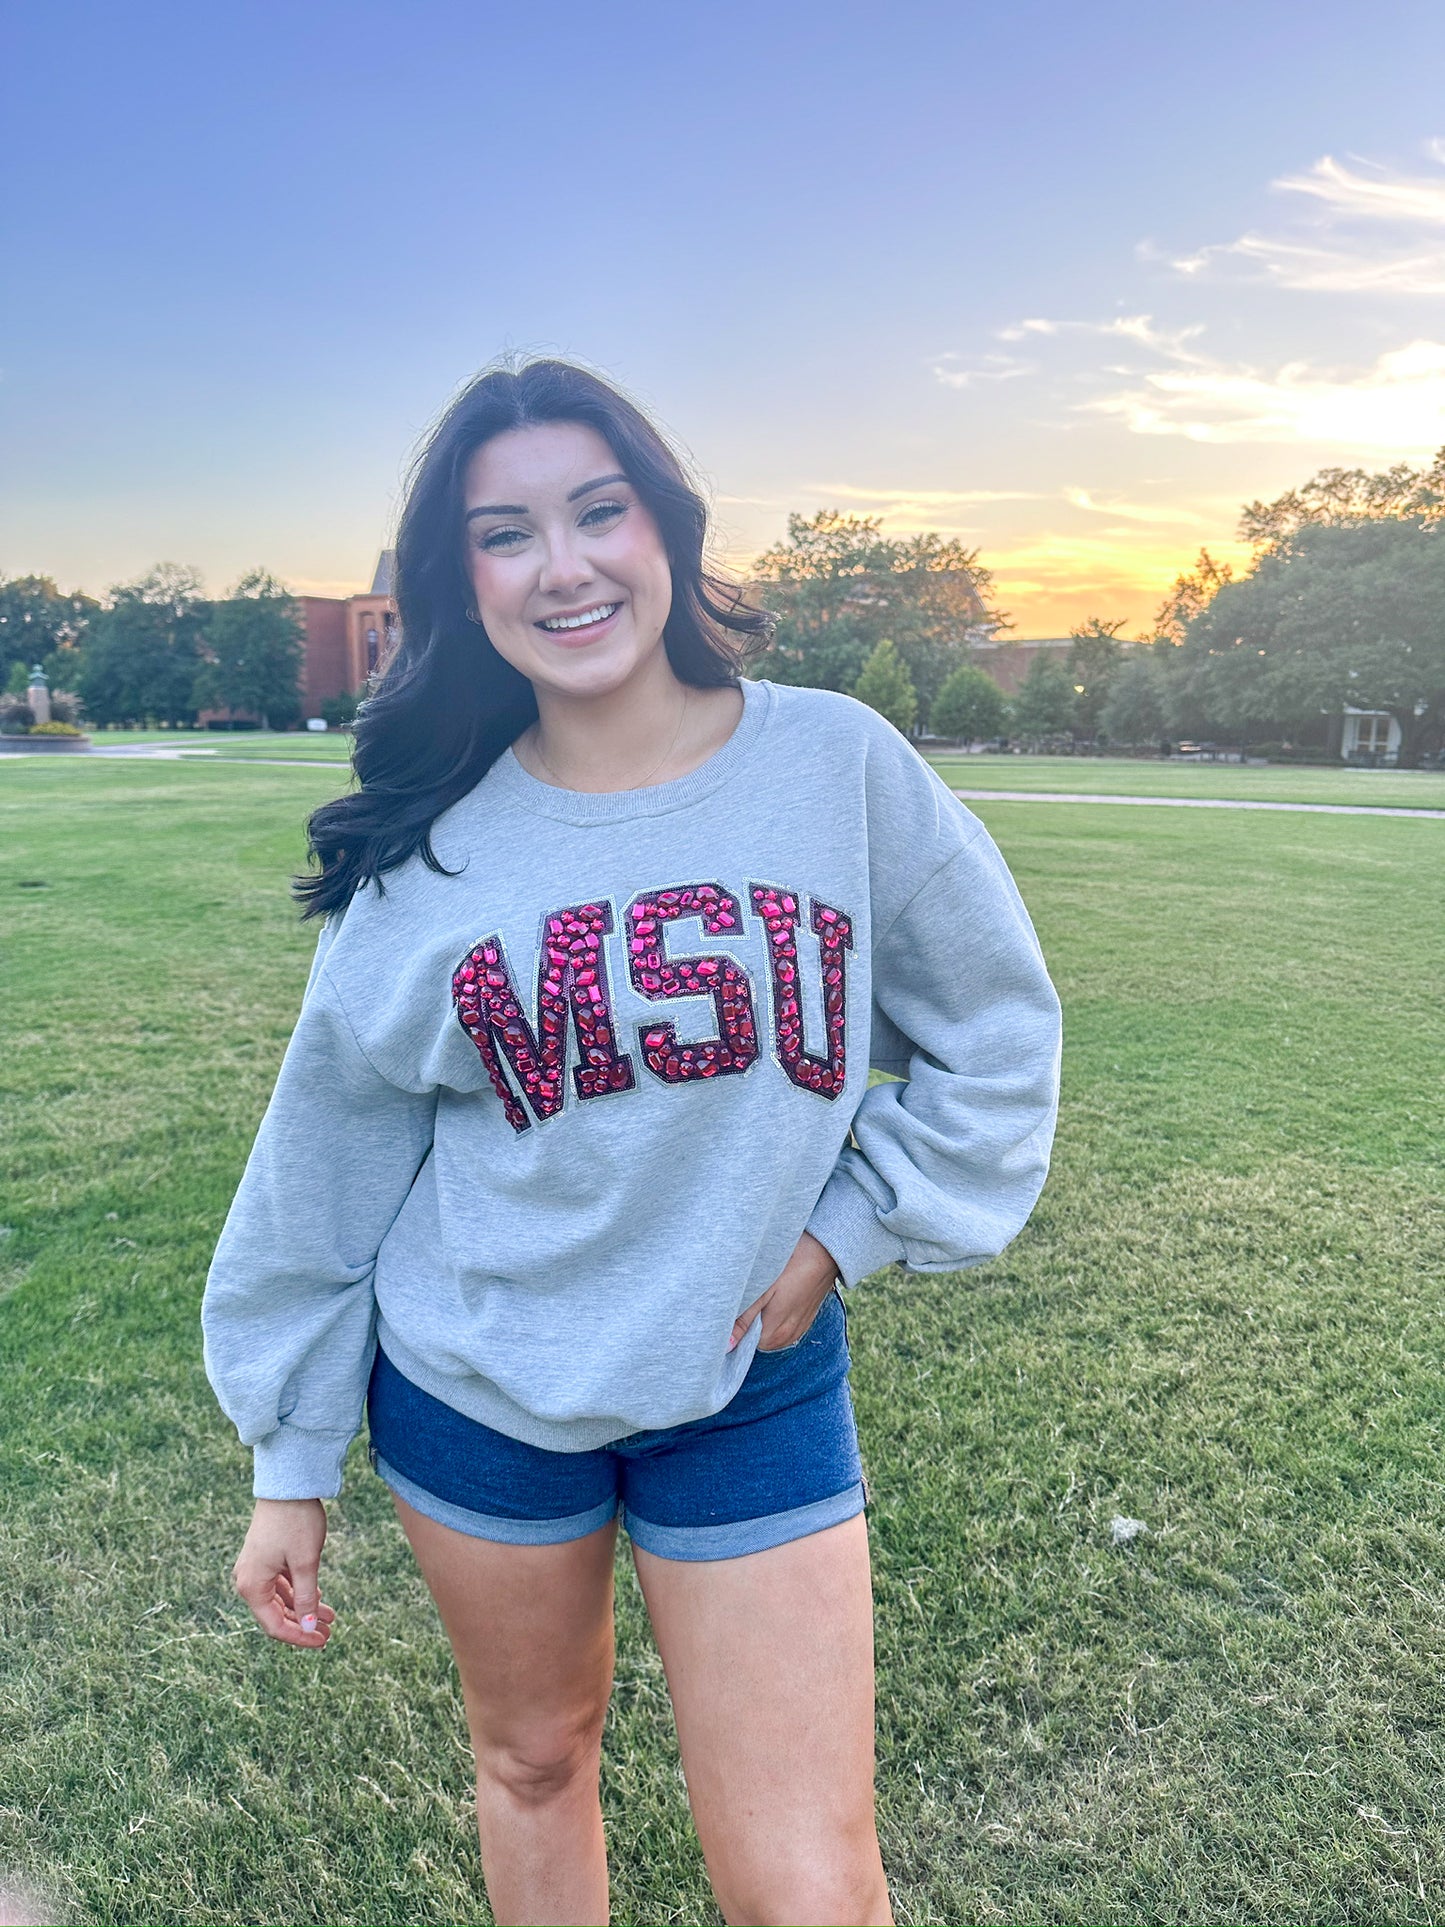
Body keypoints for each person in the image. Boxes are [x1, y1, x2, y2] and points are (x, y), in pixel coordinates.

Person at [201, 357, 1062, 1927]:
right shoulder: (430, 853)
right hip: (480, 1393)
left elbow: (997, 1031)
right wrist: (288, 1460)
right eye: (506, 533)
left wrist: (843, 1234)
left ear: (663, 529)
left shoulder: (832, 764)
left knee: (808, 1882)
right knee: (534, 1763)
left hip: (746, 1382)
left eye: (599, 512)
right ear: (464, 583)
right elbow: (321, 1170)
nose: (567, 565)